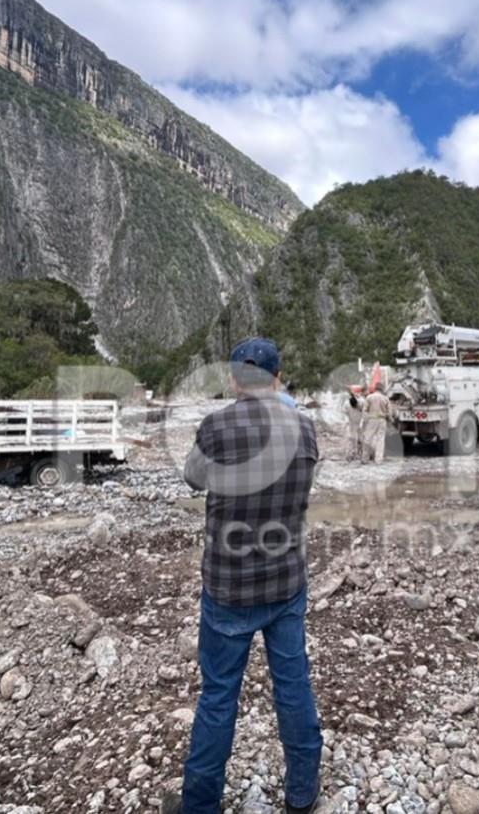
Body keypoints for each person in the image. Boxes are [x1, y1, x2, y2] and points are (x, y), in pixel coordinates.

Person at [163, 337, 322, 814]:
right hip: (286, 583)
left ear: (234, 378)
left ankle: (199, 805)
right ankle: (301, 794)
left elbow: (194, 478)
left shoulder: (216, 426)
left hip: (228, 587)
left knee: (217, 697)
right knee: (293, 685)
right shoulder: (305, 429)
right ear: (278, 376)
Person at [360, 382, 391, 463]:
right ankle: (378, 459)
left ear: (375, 388)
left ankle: (365, 458)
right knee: (380, 440)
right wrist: (389, 419)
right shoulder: (385, 398)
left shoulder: (369, 397)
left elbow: (364, 410)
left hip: (372, 420)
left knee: (368, 438)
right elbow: (389, 413)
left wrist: (365, 420)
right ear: (382, 389)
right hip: (382, 420)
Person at [345, 385, 365, 461]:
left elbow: (345, 413)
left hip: (352, 423)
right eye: (359, 391)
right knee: (360, 439)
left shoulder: (347, 402)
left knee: (352, 439)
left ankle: (351, 454)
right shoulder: (363, 401)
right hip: (359, 423)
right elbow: (365, 412)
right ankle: (358, 454)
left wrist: (347, 421)